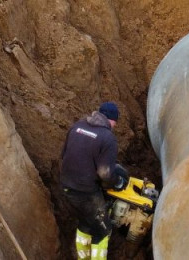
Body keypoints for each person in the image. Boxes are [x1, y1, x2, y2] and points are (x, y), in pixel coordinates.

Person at [60, 101, 125, 260]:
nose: (114, 126)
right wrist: (117, 182)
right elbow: (105, 174)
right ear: (112, 120)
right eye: (115, 123)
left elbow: (64, 155)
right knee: (103, 230)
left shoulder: (77, 126)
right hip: (86, 193)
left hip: (67, 187)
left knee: (85, 223)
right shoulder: (108, 138)